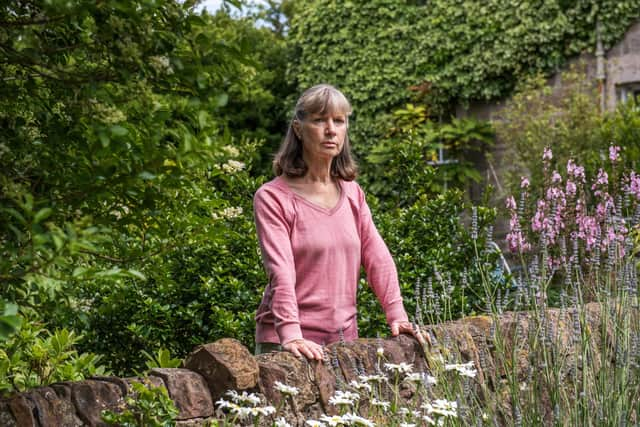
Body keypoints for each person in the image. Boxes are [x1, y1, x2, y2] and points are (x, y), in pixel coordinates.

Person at [253, 84, 424, 360]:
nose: (331, 129)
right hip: (288, 343)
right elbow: (280, 271)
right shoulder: (273, 197)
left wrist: (397, 315)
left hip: (343, 339)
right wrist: (291, 334)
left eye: (339, 121)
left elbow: (377, 256)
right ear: (298, 128)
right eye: (319, 120)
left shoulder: (352, 193)